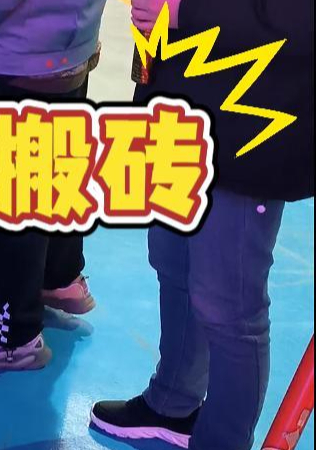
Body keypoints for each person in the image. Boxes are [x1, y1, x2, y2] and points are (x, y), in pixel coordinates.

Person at [91, 1, 314, 449]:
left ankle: (223, 440)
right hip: (180, 109)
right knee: (174, 264)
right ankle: (172, 401)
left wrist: (185, 10)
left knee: (230, 305)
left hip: (251, 122)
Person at [0, 0, 106, 371]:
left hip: (23, 58)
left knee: (9, 203)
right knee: (53, 178)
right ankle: (59, 277)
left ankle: (15, 332)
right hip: (71, 48)